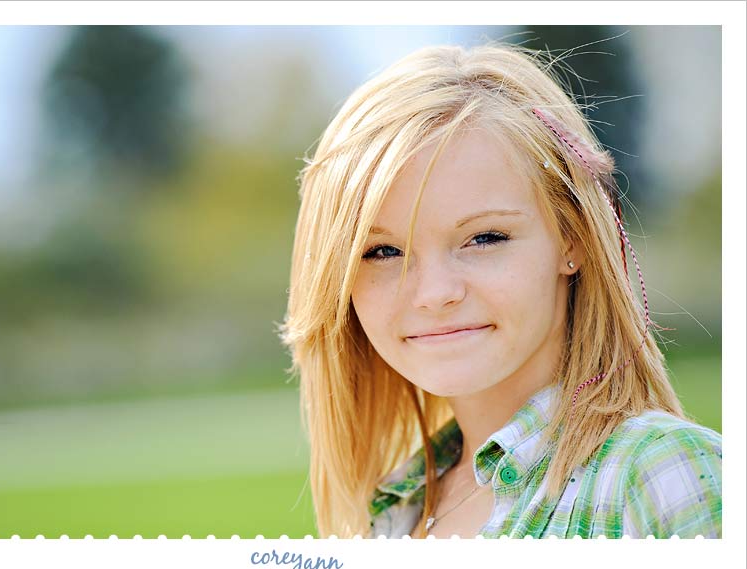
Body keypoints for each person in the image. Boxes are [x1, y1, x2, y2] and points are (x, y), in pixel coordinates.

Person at [278, 43, 722, 539]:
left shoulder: (660, 475)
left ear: (572, 238)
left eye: (485, 238)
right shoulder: (393, 510)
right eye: (383, 251)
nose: (434, 293)